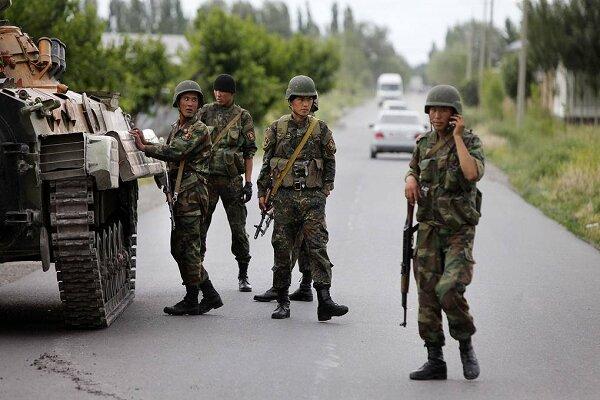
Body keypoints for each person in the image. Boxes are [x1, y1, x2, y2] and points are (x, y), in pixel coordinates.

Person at [404, 84, 484, 380]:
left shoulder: (470, 141)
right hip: (428, 230)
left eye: (443, 110)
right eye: (432, 110)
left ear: (455, 114)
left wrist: (458, 137)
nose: (436, 115)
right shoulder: (424, 143)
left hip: (458, 232)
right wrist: (410, 178)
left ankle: (465, 344)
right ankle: (435, 359)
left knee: (448, 290)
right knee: (427, 294)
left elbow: (471, 173)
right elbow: (413, 168)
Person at [256, 75, 348, 321]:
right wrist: (262, 192)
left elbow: (329, 160)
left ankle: (325, 300)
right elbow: (267, 163)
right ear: (290, 101)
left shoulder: (320, 129)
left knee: (318, 246)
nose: (304, 104)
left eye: (308, 99)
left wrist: (326, 187)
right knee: (282, 248)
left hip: (312, 199)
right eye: (299, 99)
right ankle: (282, 301)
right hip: (284, 198)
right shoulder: (277, 128)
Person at [130, 80, 223, 316]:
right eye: (186, 99)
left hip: (193, 195)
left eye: (194, 100)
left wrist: (144, 147)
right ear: (178, 102)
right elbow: (172, 155)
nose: (190, 104)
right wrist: (146, 143)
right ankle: (203, 295)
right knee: (178, 248)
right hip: (181, 196)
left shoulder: (199, 129)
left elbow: (176, 151)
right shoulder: (177, 127)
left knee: (189, 249)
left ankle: (200, 297)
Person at [197, 74, 257, 292]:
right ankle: (197, 273)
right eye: (216, 90)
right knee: (200, 226)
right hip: (207, 180)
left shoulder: (242, 116)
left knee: (238, 229)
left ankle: (243, 274)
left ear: (232, 93)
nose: (218, 94)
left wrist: (248, 183)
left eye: (222, 91)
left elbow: (249, 152)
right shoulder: (205, 112)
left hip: (232, 181)